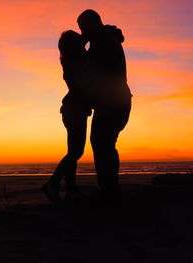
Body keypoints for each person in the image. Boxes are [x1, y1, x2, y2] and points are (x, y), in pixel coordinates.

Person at [77, 10, 132, 201]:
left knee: (102, 144)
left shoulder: (102, 42)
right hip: (118, 100)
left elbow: (96, 75)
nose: (82, 32)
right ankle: (110, 189)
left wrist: (81, 49)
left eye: (83, 28)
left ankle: (109, 192)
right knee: (105, 144)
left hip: (113, 102)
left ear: (92, 24)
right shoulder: (106, 38)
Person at [42, 30, 91, 203]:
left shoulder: (71, 60)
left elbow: (83, 40)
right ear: (73, 46)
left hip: (73, 110)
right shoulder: (75, 62)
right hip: (74, 110)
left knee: (73, 151)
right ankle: (53, 183)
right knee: (77, 151)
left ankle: (71, 189)